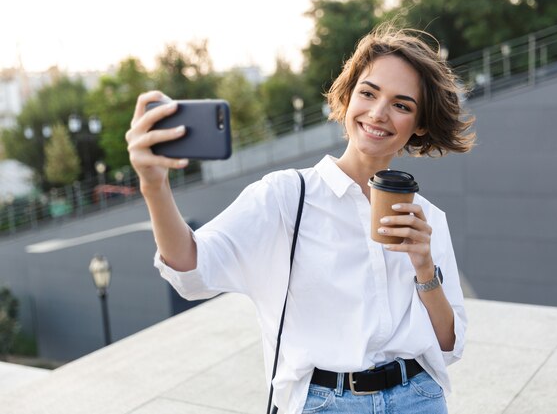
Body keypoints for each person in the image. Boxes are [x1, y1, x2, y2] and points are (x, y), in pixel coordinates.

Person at [126, 24, 475, 414]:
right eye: (368, 93)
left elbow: (449, 345)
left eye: (402, 104)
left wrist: (424, 267)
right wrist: (153, 186)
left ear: (420, 124)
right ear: (347, 96)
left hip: (419, 398)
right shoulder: (285, 196)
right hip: (325, 403)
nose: (378, 113)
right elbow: (192, 271)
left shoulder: (428, 219)